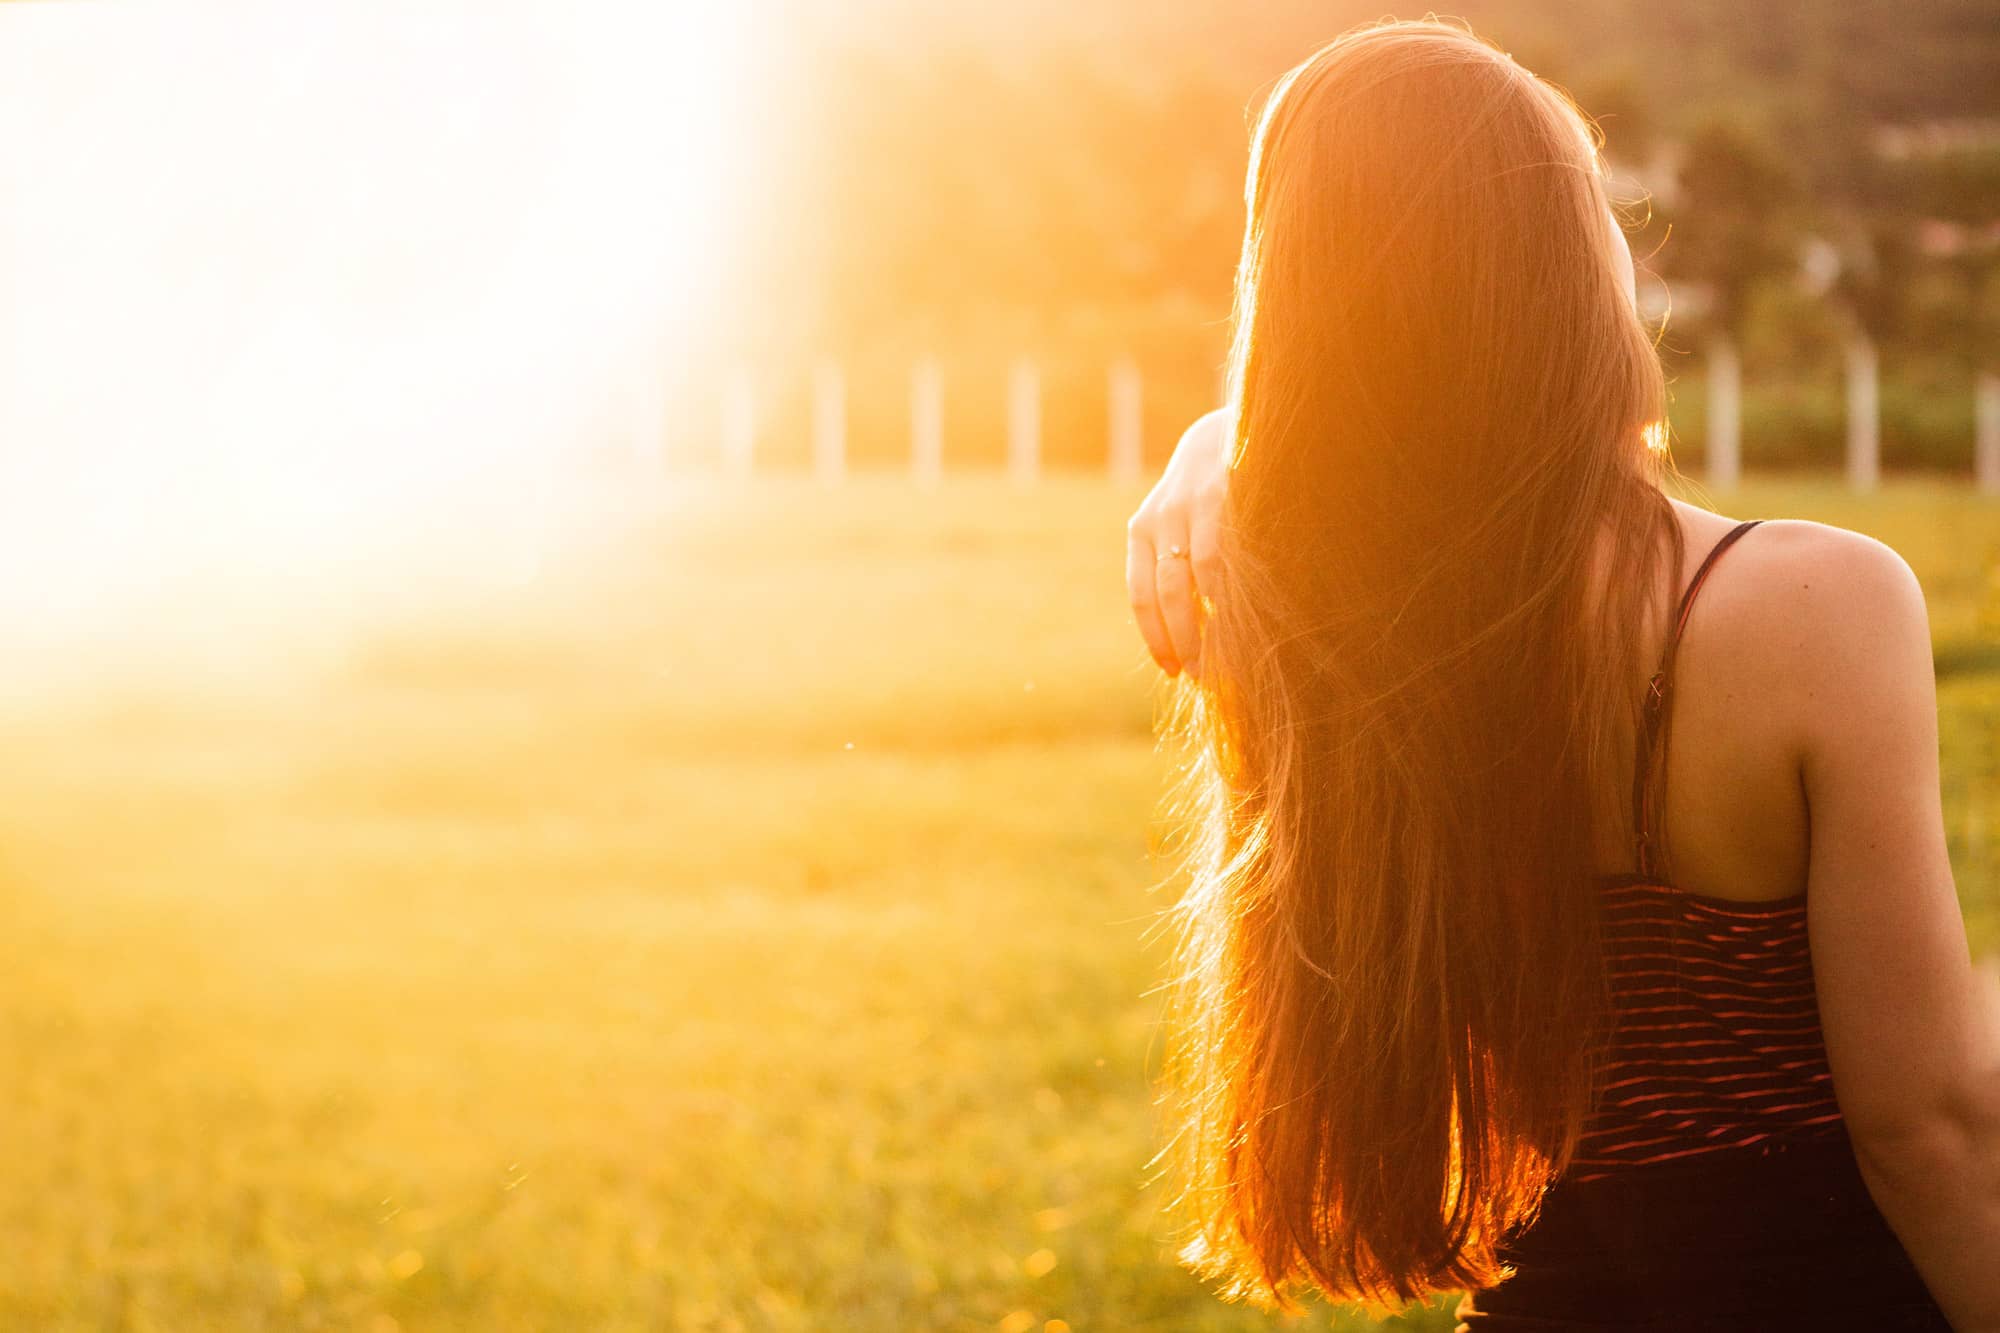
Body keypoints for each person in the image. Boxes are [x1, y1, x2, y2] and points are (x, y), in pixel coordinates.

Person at [1124, 18, 2000, 1330]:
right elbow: (1929, 1127)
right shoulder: (1821, 603)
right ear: (1570, 266)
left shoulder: (1290, 620)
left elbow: (1346, 437)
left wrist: (1221, 439)